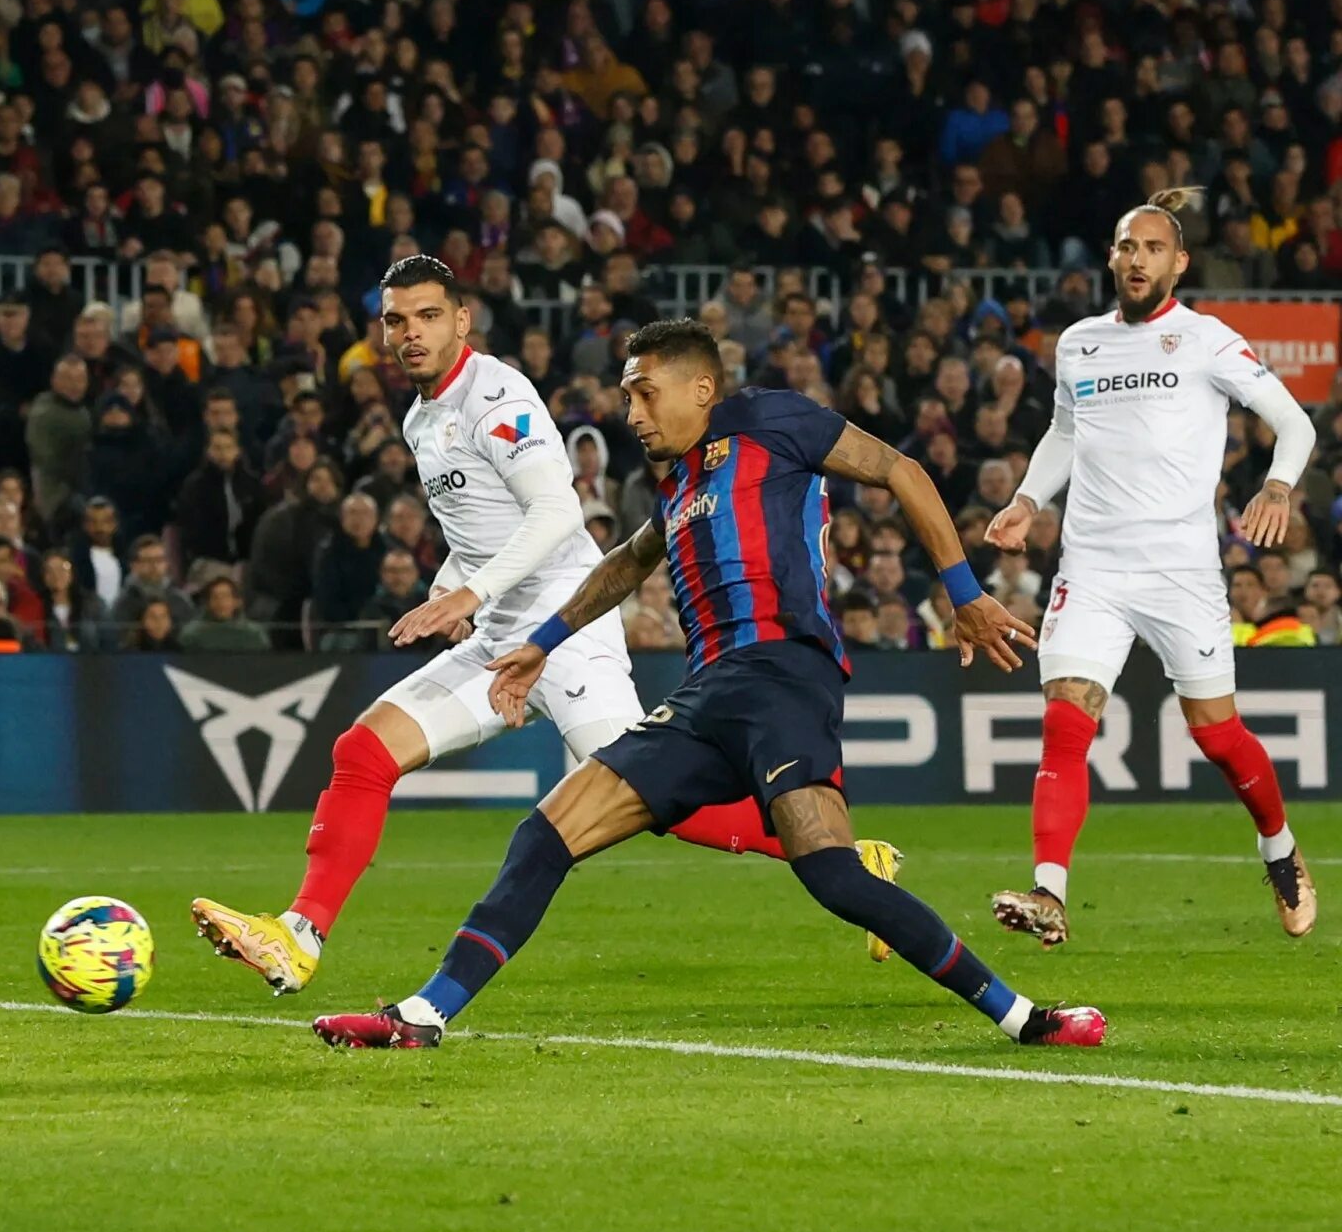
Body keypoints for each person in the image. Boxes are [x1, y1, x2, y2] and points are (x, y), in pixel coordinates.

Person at [311, 319, 1104, 1051]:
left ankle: (1026, 1018)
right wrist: (538, 645)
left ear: (700, 388)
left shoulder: (773, 420)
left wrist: (962, 592)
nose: (631, 412)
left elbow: (900, 469)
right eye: (626, 395)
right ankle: (423, 1015)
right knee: (544, 834)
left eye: (643, 392)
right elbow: (625, 561)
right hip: (705, 699)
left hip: (785, 677)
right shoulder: (679, 482)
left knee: (831, 875)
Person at [192, 257, 891, 997]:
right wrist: (451, 586)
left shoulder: (496, 394)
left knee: (658, 803)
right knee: (363, 751)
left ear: (462, 320)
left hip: (567, 624)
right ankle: (297, 937)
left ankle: (851, 860)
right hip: (497, 633)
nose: (411, 333)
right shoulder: (420, 416)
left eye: (429, 316)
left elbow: (557, 513)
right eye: (397, 320)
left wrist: (474, 595)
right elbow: (475, 533)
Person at [985, 189, 1320, 945]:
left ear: (1179, 263)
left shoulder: (1207, 340)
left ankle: (1278, 847)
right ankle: (1049, 892)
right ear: (1111, 257)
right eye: (1126, 247)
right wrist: (1030, 500)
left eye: (1153, 249)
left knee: (1216, 733)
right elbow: (1065, 433)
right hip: (1093, 566)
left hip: (1181, 570)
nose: (1137, 260)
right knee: (1066, 723)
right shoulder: (1080, 343)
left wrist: (1276, 484)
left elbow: (1293, 424)